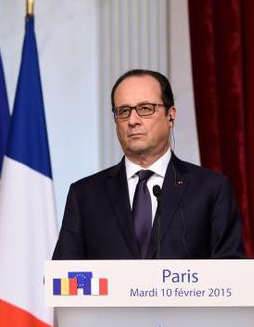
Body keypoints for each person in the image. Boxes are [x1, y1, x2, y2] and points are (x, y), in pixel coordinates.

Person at [53, 69, 244, 260]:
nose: (133, 121)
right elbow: (63, 279)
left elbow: (231, 275)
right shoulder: (85, 195)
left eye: (145, 109)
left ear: (171, 115)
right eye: (124, 111)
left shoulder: (211, 190)